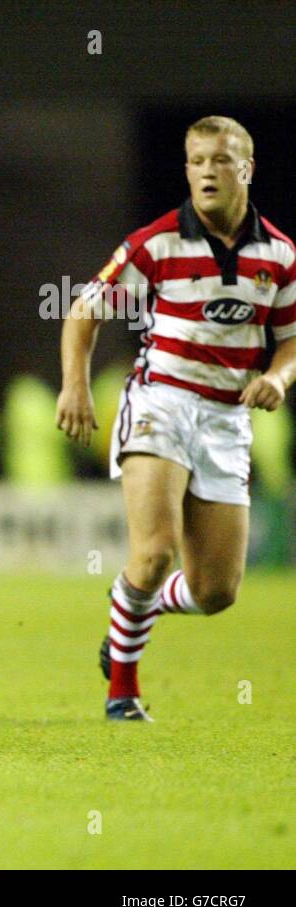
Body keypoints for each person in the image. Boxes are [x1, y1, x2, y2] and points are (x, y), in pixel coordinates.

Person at [55, 116, 296, 721]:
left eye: (220, 160)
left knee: (216, 593)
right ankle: (123, 694)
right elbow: (85, 310)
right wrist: (75, 388)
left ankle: (131, 607)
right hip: (160, 402)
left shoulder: (281, 255)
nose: (207, 172)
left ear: (247, 168)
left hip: (225, 420)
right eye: (196, 161)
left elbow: (290, 340)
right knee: (156, 550)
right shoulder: (156, 243)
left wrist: (276, 377)